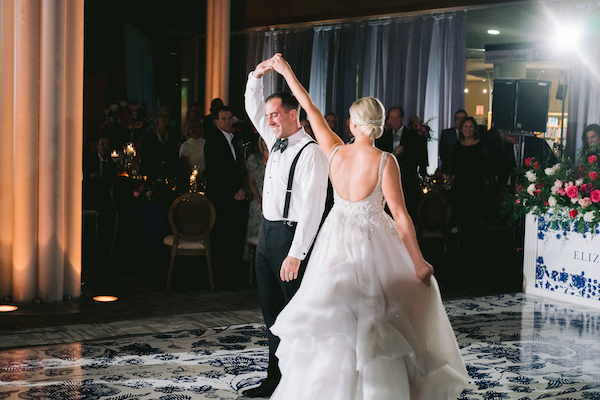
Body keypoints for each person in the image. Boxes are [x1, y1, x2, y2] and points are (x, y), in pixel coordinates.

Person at [264, 53, 468, 400]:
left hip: (334, 242)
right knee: (379, 317)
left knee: (335, 317)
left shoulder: (336, 152)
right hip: (375, 243)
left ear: (354, 125)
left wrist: (284, 70)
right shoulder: (386, 162)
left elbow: (308, 106)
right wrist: (418, 262)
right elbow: (402, 217)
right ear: (379, 125)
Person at [244, 61, 329, 398]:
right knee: (272, 315)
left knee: (297, 314)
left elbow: (313, 208)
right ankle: (275, 379)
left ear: (294, 114)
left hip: (291, 238)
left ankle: (304, 381)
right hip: (267, 234)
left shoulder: (312, 153)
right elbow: (252, 108)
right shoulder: (274, 138)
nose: (269, 120)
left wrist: (296, 253)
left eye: (276, 114)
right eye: (268, 116)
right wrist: (257, 75)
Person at [204, 105, 248, 289]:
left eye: (230, 118)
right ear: (216, 121)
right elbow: (217, 172)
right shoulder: (213, 141)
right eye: (224, 119)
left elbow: (236, 169)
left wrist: (242, 188)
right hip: (221, 199)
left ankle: (232, 278)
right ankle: (222, 280)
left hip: (233, 197)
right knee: (222, 239)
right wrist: (234, 190)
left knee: (232, 238)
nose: (228, 121)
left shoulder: (233, 140)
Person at [375, 106, 427, 220]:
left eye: (397, 118)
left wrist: (405, 152)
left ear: (402, 119)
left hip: (408, 182)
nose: (394, 121)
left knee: (407, 215)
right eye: (391, 118)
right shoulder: (383, 137)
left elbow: (420, 158)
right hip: (388, 182)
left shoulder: (413, 136)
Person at [449, 117, 492, 239]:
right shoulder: (457, 145)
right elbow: (454, 166)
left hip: (476, 186)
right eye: (465, 126)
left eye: (471, 126)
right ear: (461, 129)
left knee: (475, 220)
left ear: (475, 129)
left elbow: (487, 166)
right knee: (462, 219)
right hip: (460, 186)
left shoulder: (482, 145)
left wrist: (487, 183)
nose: (468, 129)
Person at [139, 105, 180, 181]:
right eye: (162, 116)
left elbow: (174, 157)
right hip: (153, 173)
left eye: (166, 116)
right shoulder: (149, 136)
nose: (164, 118)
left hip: (169, 173)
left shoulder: (172, 136)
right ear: (157, 118)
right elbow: (146, 157)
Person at [244, 137, 268, 259]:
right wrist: (259, 199)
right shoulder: (254, 159)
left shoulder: (279, 158)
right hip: (257, 201)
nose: (264, 142)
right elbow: (251, 182)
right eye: (262, 139)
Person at [439, 109, 467, 175]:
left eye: (462, 118)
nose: (460, 121)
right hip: (448, 170)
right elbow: (443, 154)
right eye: (458, 118)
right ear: (454, 120)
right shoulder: (446, 134)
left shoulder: (471, 134)